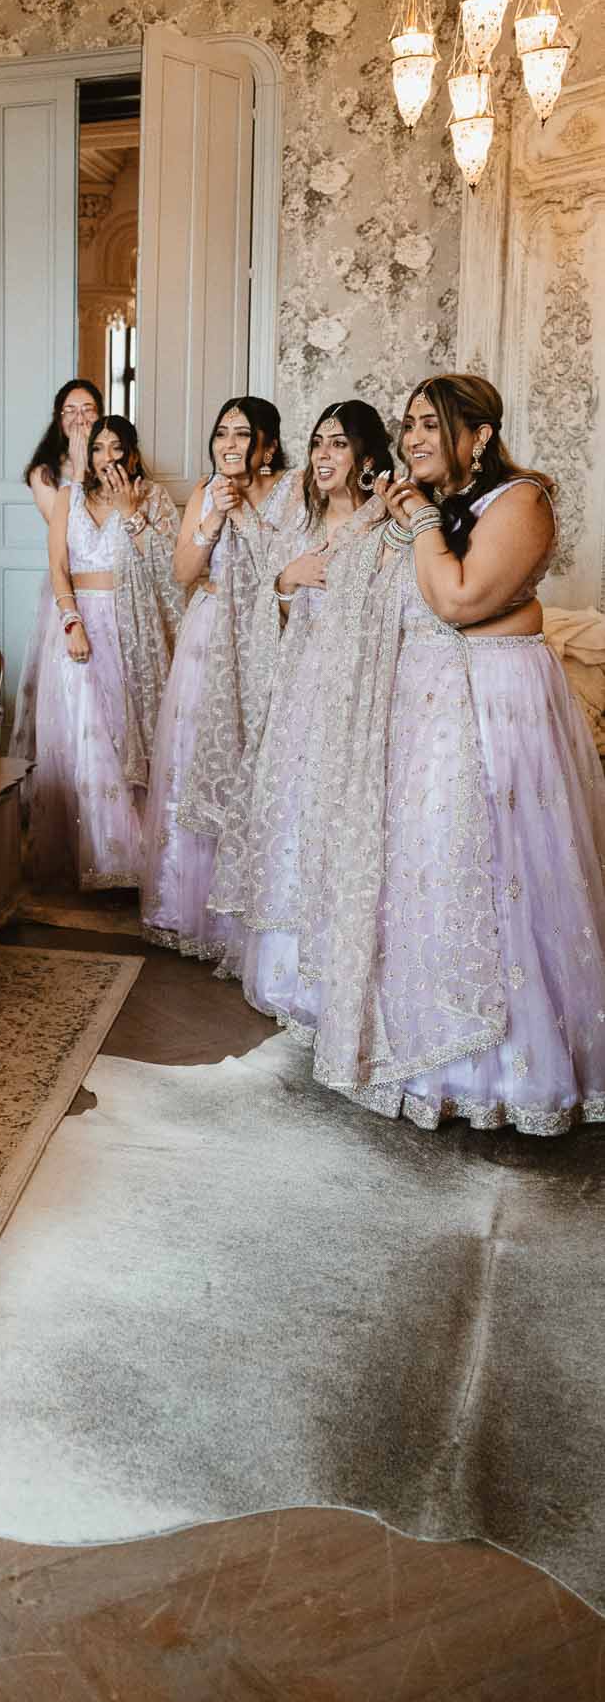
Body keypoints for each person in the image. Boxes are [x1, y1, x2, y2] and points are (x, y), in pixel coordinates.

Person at [298, 373, 605, 1133]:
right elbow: (358, 588)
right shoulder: (415, 506)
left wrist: (423, 523)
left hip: (493, 710)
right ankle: (426, 1056)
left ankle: (506, 1072)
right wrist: (392, 521)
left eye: (431, 424)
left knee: (497, 875)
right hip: (422, 712)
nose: (413, 439)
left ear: (480, 434)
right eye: (408, 425)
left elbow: (458, 599)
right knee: (426, 876)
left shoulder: (520, 500)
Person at [207, 399, 391, 1022]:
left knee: (335, 818)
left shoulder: (384, 527)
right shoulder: (301, 523)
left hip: (354, 692)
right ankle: (285, 974)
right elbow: (272, 605)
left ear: (365, 456)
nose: (323, 455)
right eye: (317, 443)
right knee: (288, 811)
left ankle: (331, 980)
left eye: (338, 443)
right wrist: (285, 581)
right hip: (298, 691)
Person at [139, 396, 297, 960]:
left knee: (258, 758)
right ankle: (190, 908)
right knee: (194, 757)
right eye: (222, 433)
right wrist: (212, 519)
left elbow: (286, 566)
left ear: (268, 445)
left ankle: (251, 921)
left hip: (266, 633)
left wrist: (247, 514)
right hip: (208, 633)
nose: (229, 444)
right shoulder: (207, 491)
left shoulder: (293, 491)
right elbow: (182, 571)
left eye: (243, 434)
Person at [27, 416, 181, 890]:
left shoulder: (151, 496)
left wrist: (131, 511)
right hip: (77, 625)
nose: (106, 457)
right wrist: (71, 621)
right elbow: (58, 567)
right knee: (86, 733)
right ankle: (103, 858)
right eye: (98, 448)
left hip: (130, 624)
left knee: (123, 734)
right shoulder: (69, 496)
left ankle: (135, 858)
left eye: (116, 447)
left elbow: (172, 568)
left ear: (131, 452)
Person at [10, 377, 106, 774]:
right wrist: (81, 470)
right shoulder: (44, 473)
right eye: (70, 411)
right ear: (58, 418)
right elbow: (67, 530)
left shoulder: (115, 459)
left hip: (110, 588)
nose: (79, 418)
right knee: (69, 685)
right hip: (66, 585)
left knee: (106, 688)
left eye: (88, 410)